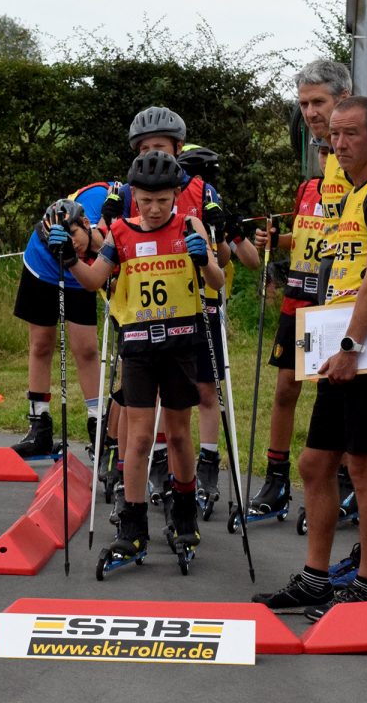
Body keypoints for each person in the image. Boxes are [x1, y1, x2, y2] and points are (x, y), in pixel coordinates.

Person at [252, 96, 367, 620]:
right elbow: (347, 273)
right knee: (314, 462)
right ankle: (315, 578)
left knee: (366, 468)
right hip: (345, 339)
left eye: (351, 134)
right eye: (334, 137)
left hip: (362, 345)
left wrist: (352, 347)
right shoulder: (348, 194)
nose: (340, 144)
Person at [52, 149, 223, 561]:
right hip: (140, 347)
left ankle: (184, 515)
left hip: (182, 343)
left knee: (179, 433)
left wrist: (204, 260)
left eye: (163, 200)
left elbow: (216, 280)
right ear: (134, 197)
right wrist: (72, 258)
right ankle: (132, 524)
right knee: (141, 437)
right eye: (145, 201)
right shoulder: (122, 233)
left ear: (176, 196)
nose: (154, 209)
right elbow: (95, 281)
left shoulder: (190, 224)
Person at [100, 108, 258, 534]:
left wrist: (216, 241)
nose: (153, 153)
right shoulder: (133, 188)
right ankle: (134, 469)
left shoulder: (200, 192)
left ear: (177, 148)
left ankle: (201, 467)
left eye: (160, 147)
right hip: (141, 314)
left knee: (200, 393)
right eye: (145, 148)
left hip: (194, 309)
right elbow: (107, 247)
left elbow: (223, 259)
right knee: (136, 404)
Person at [11, 184, 108, 458]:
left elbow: (108, 244)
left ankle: (97, 425)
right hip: (42, 262)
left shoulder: (130, 212)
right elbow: (76, 226)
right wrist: (76, 239)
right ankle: (39, 427)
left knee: (86, 348)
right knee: (41, 344)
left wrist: (85, 247)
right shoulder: (99, 195)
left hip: (81, 267)